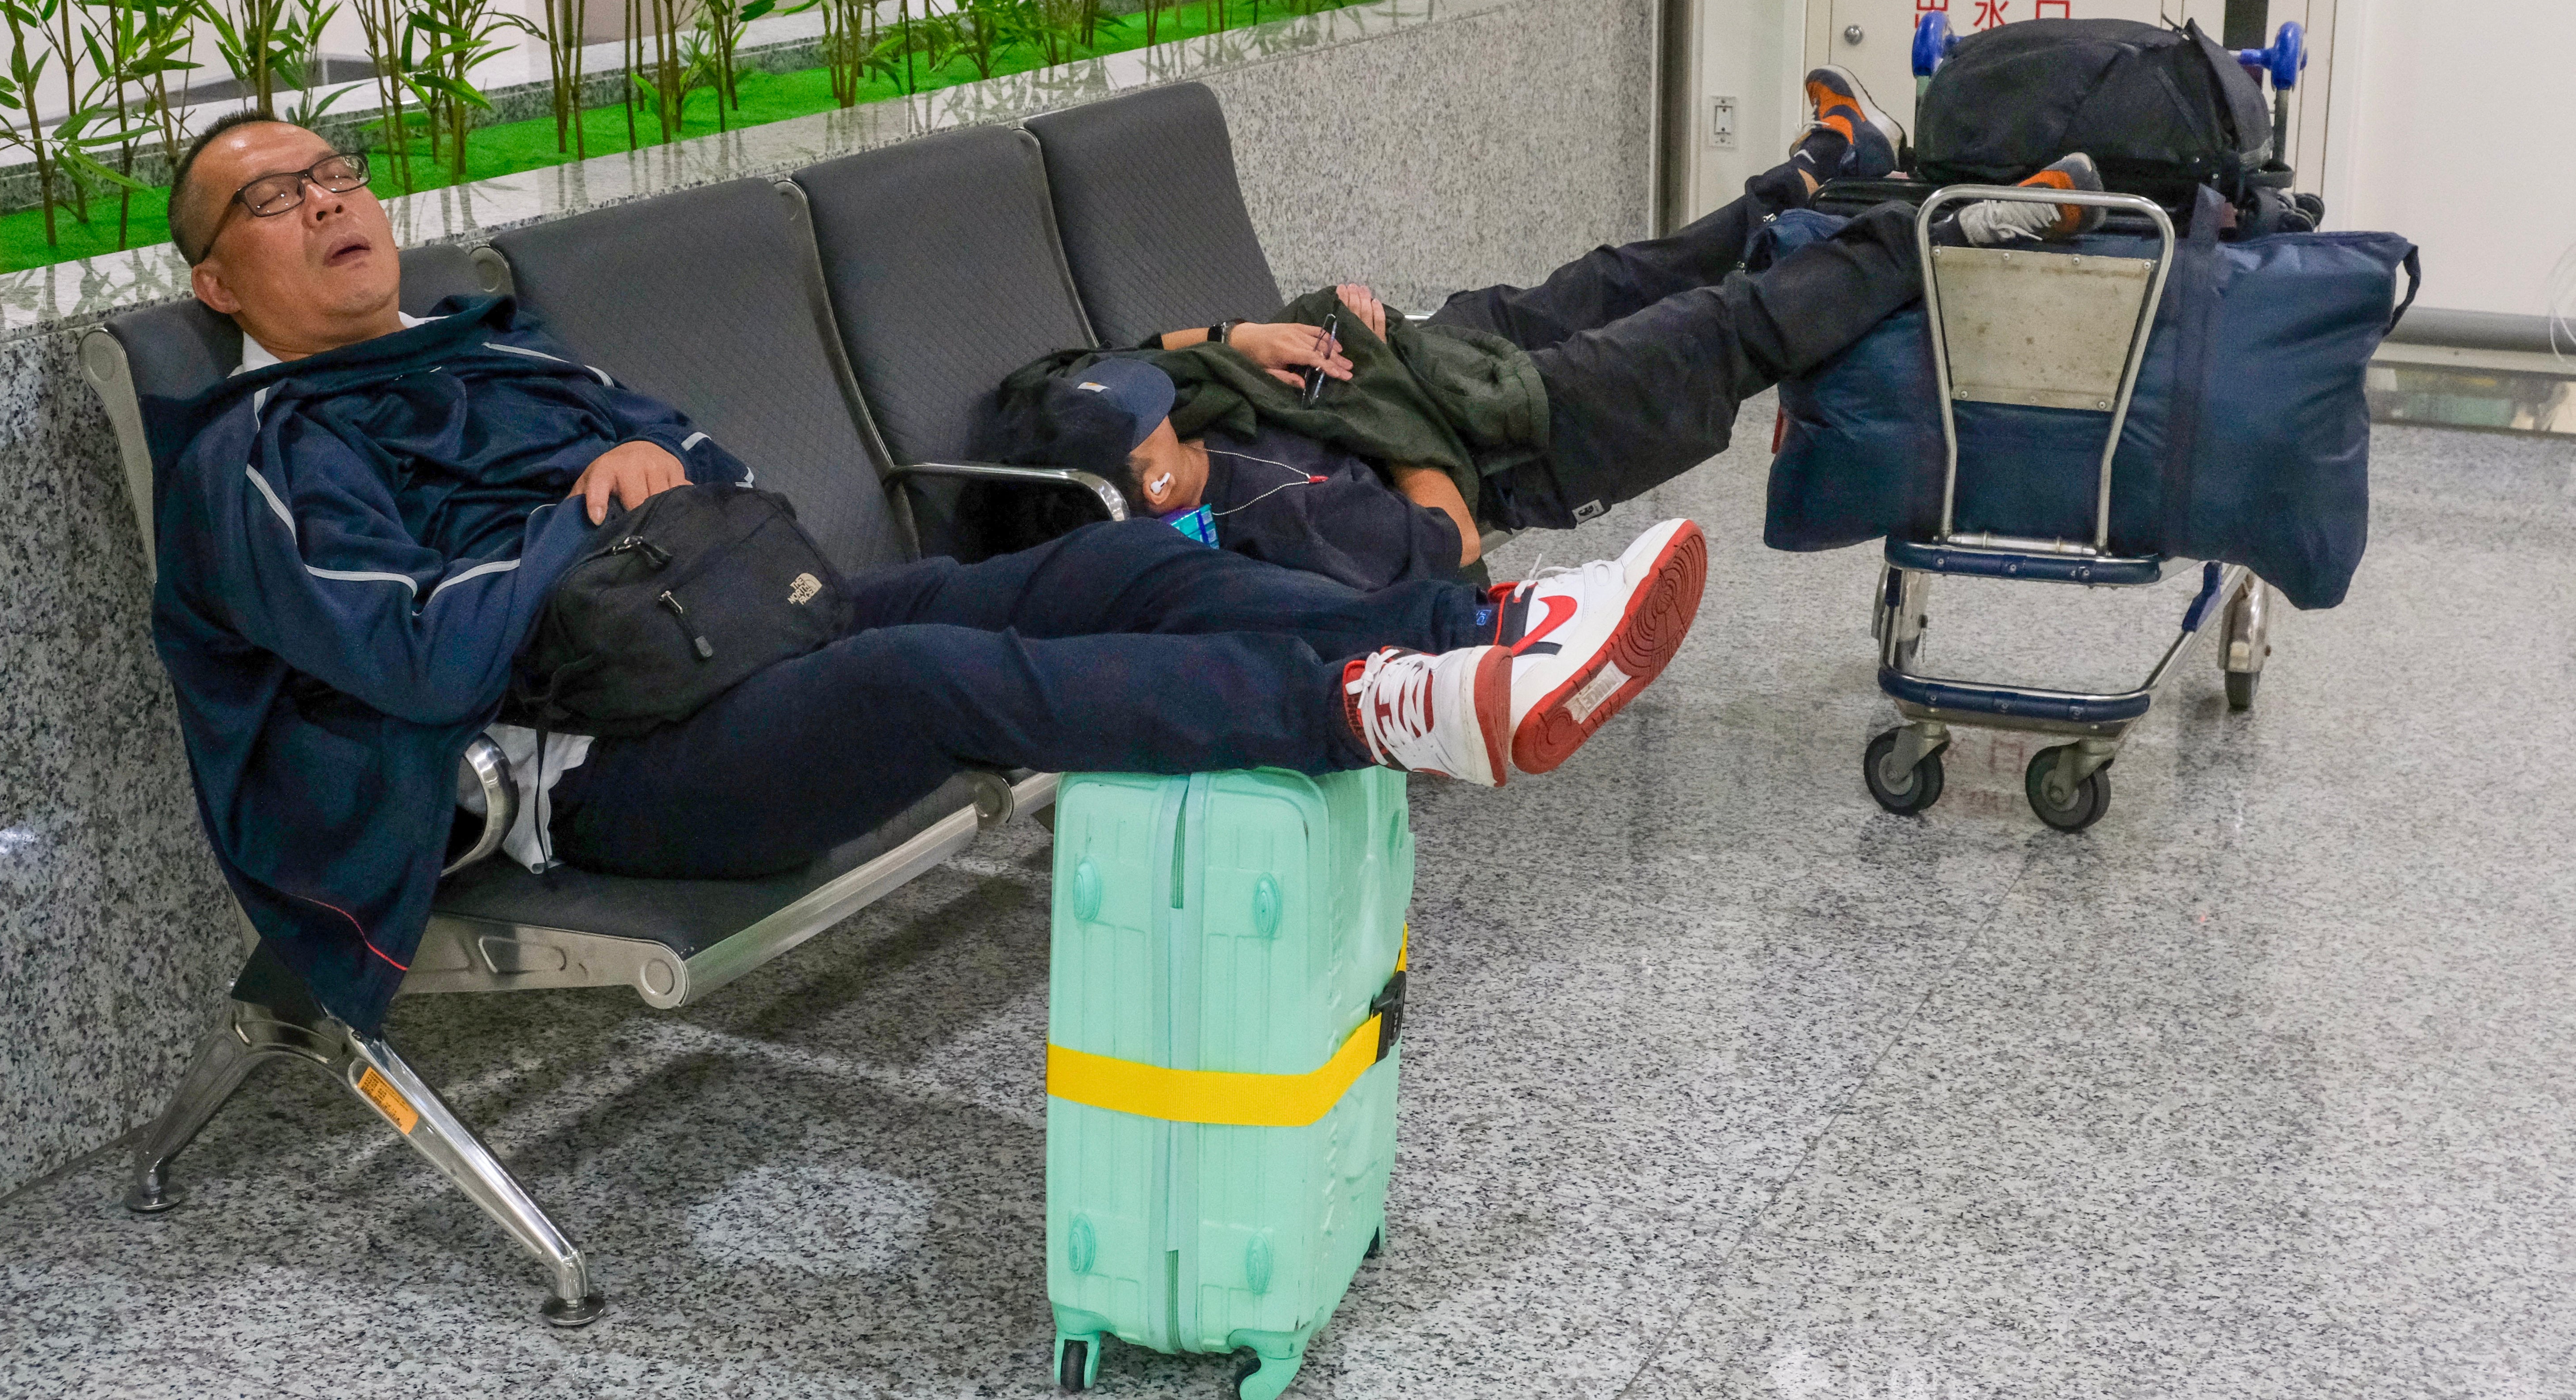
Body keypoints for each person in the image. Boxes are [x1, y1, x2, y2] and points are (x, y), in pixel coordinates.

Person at [150, 110, 1708, 1033]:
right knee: (932, 675)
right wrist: (585, 513)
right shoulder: (254, 459)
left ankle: (1480, 623)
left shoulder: (484, 341)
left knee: (1113, 571)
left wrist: (644, 484)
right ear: (220, 281)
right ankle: (1390, 702)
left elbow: (701, 458)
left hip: (736, 628)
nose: (329, 202)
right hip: (594, 765)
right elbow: (416, 655)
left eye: (337, 171)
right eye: (272, 200)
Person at [979, 67, 2107, 590]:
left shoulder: (1090, 422)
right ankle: (1965, 230)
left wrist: (1239, 335)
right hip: (1513, 440)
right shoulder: (1264, 512)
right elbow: (1449, 551)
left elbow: (1072, 370)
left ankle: (1829, 162)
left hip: (1422, 353)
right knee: (1729, 323)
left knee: (1621, 270)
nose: (1160, 392)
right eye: (1156, 420)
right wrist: (1402, 433)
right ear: (1158, 484)